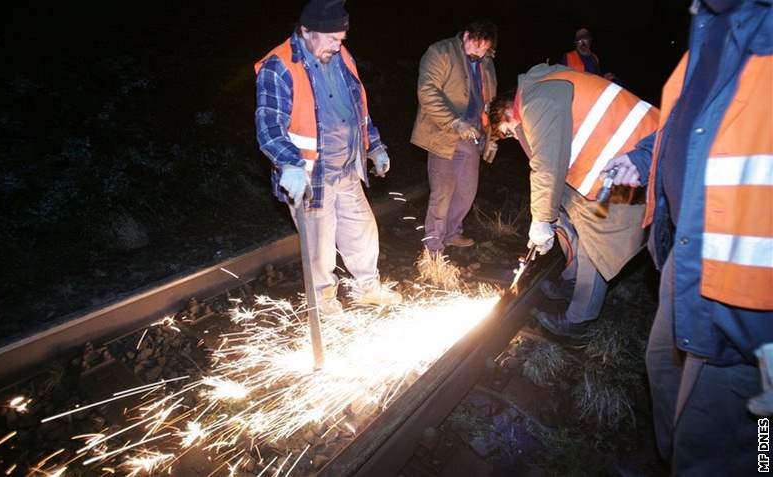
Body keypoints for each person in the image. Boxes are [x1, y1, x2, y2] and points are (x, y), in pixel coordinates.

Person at [601, 0, 773, 473]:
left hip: (754, 304)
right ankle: (671, 458)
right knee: (664, 367)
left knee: (748, 440)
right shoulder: (708, 24)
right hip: (692, 253)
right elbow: (689, 123)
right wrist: (642, 159)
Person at [488, 63, 658, 337]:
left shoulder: (536, 102)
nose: (513, 136)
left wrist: (541, 219)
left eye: (508, 130)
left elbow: (546, 164)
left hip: (636, 164)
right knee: (575, 223)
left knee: (596, 244)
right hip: (616, 165)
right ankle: (572, 282)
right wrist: (547, 216)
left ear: (508, 111)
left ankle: (579, 319)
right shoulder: (543, 86)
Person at [254, 0, 402, 315]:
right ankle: (325, 306)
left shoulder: (342, 57)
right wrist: (289, 165)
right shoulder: (278, 66)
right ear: (306, 31)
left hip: (347, 169)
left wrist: (374, 146)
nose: (337, 46)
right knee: (319, 251)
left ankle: (369, 289)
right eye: (332, 39)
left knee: (363, 232)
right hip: (310, 178)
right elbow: (268, 127)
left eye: (341, 39)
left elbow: (358, 109)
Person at [410, 20, 498, 253]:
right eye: (477, 46)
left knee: (466, 192)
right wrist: (454, 122)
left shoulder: (486, 61)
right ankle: (433, 246)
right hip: (442, 134)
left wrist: (492, 137)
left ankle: (451, 232)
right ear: (466, 36)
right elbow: (427, 91)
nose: (480, 53)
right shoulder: (441, 52)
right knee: (442, 193)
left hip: (472, 137)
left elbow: (488, 102)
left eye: (485, 49)